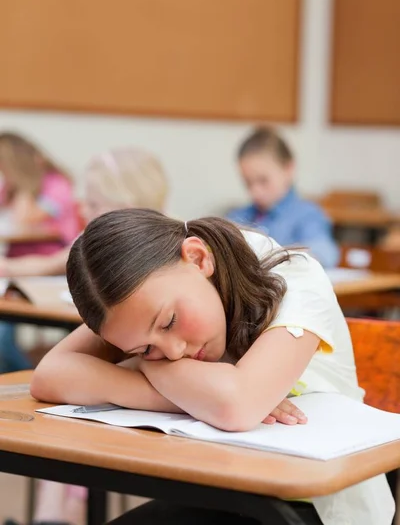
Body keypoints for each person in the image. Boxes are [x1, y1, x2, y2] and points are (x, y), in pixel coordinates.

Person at [31, 210, 394, 525]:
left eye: (170, 322)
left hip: (319, 505)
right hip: (224, 489)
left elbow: (236, 406)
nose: (173, 352)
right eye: (145, 348)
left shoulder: (293, 276)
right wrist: (181, 393)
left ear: (198, 259)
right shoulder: (146, 301)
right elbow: (50, 375)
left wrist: (143, 365)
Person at [1, 148, 169, 525]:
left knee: (73, 418)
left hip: (139, 383)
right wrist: (9, 266)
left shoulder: (155, 254)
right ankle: (54, 516)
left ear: (122, 207)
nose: (84, 209)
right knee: (61, 409)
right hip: (111, 382)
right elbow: (52, 260)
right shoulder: (95, 242)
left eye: (92, 203)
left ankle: (60, 516)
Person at [226, 128, 339, 269]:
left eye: (263, 180)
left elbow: (324, 252)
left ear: (288, 169)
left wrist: (285, 257)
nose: (255, 191)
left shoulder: (308, 215)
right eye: (248, 183)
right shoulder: (238, 217)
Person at [0, 132, 79, 256]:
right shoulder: (9, 186)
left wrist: (23, 183)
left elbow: (24, 219)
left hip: (50, 256)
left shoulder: (57, 184)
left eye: (5, 168)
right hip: (16, 257)